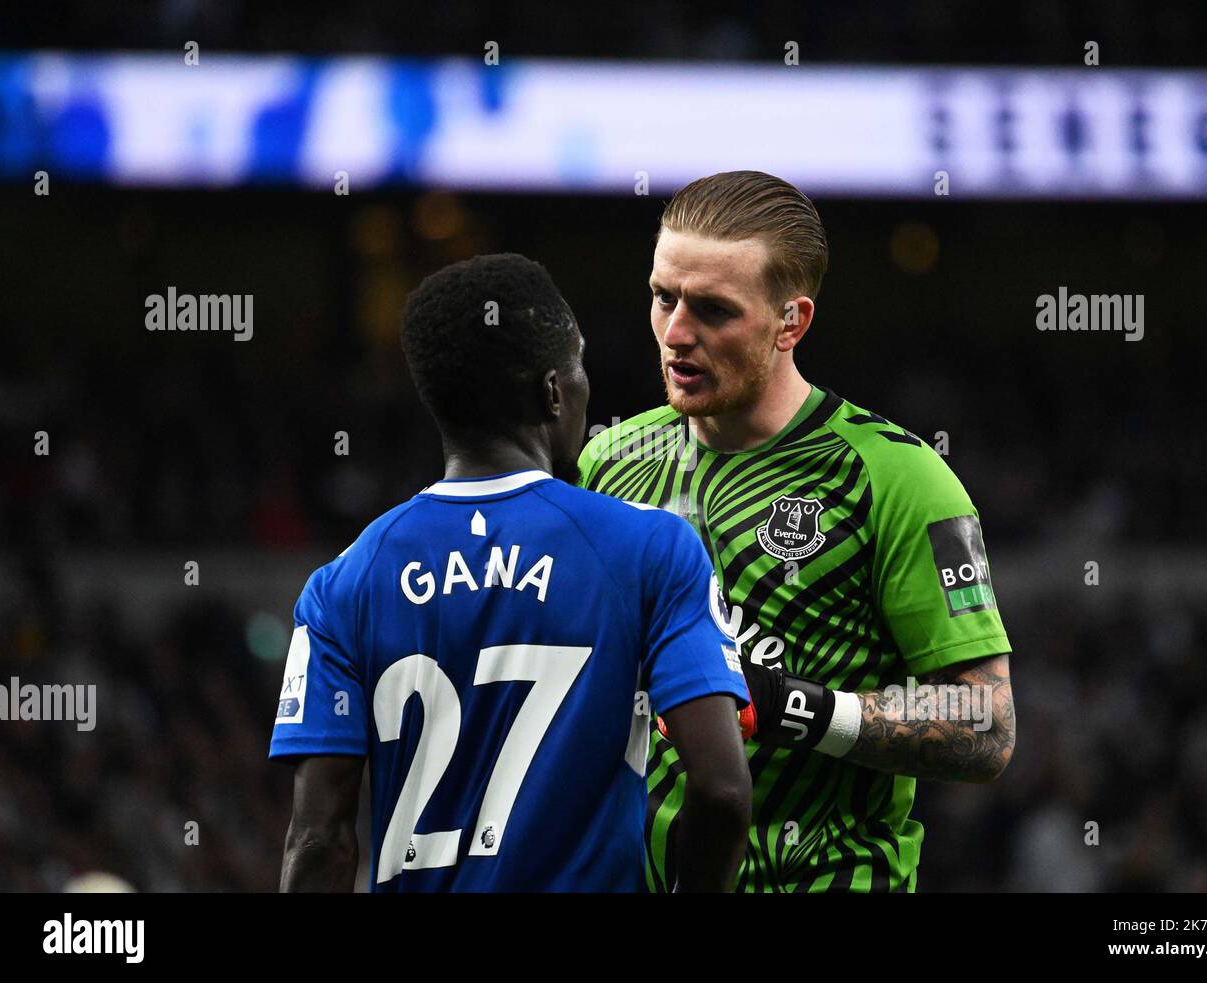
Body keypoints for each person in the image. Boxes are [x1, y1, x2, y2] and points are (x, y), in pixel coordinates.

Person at [579, 172, 1017, 892]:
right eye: (664, 298)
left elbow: (988, 725)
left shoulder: (901, 478)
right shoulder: (610, 459)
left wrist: (798, 709)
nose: (677, 333)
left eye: (715, 310)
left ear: (792, 321)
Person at [269, 253, 752, 892]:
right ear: (553, 391)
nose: (586, 385)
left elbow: (318, 839)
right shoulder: (652, 549)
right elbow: (720, 789)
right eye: (578, 365)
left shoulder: (341, 585)